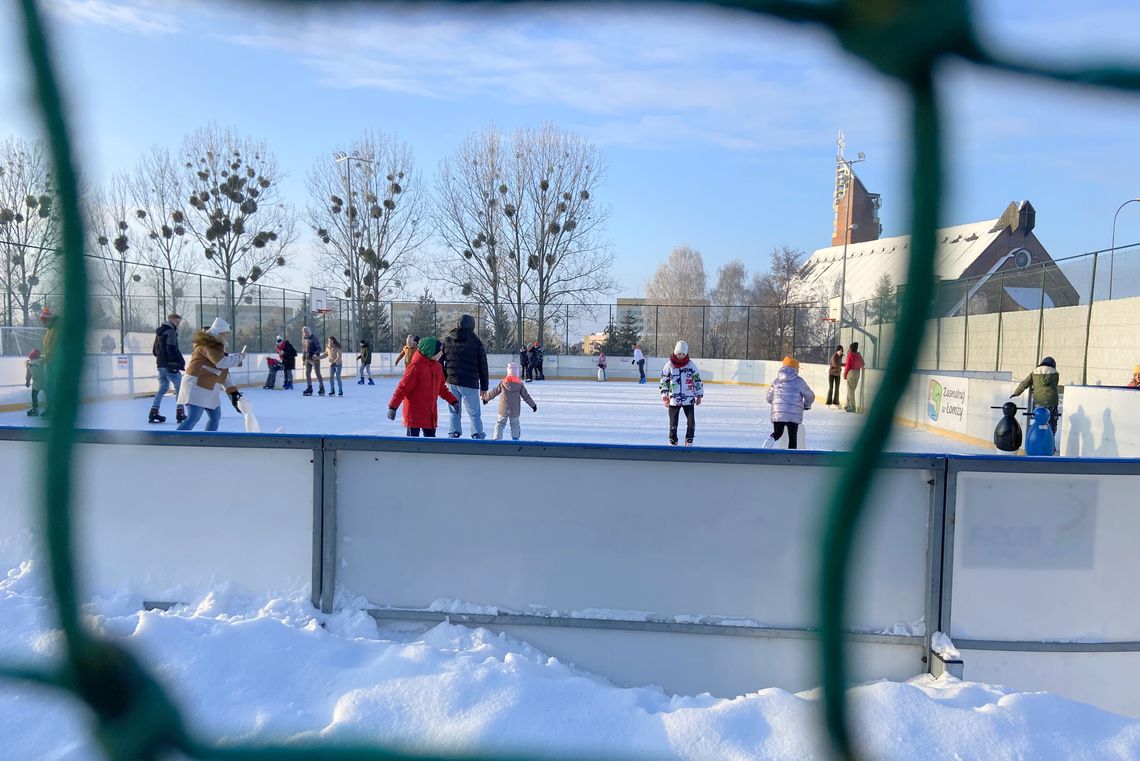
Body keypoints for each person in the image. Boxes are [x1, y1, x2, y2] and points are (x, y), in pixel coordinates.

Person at [176, 317, 245, 432]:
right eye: (226, 333)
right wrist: (239, 357)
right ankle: (175, 439)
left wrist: (232, 391)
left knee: (215, 417)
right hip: (196, 386)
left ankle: (209, 439)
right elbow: (221, 363)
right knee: (193, 417)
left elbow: (223, 372)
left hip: (207, 387)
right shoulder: (207, 345)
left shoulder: (216, 347)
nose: (228, 335)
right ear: (219, 332)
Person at [386, 336, 460, 438]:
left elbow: (441, 388)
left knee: (430, 444)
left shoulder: (437, 367)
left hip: (429, 413)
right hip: (414, 414)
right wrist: (393, 407)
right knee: (413, 444)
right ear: (430, 351)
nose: (442, 353)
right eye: (439, 351)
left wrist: (453, 401)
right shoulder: (415, 367)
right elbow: (402, 388)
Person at [441, 314, 489, 439]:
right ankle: (477, 433)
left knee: (454, 410)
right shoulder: (476, 343)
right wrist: (484, 387)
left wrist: (445, 376)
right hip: (469, 382)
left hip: (452, 381)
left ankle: (454, 432)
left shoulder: (448, 341)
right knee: (474, 412)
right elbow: (483, 366)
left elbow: (440, 361)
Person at [763, 356, 815, 450]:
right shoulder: (799, 381)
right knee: (792, 437)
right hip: (793, 413)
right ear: (795, 369)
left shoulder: (776, 382)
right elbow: (810, 396)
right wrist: (806, 405)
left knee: (778, 433)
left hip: (778, 413)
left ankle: (771, 439)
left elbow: (768, 398)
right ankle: (791, 455)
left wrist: (777, 405)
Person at [660, 340, 704, 446]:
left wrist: (699, 395)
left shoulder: (691, 365)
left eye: (683, 354)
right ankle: (673, 439)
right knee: (673, 422)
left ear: (686, 354)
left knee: (691, 421)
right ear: (675, 353)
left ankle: (689, 438)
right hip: (673, 399)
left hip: (688, 398)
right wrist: (665, 396)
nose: (680, 356)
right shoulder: (669, 365)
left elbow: (697, 380)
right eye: (679, 353)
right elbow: (664, 380)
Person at [482, 361, 537, 441]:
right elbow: (526, 396)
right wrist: (533, 405)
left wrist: (486, 399)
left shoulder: (503, 383)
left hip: (503, 408)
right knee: (515, 424)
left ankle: (497, 439)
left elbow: (494, 392)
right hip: (515, 409)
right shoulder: (519, 384)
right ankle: (515, 439)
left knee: (500, 423)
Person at [149, 313, 186, 424]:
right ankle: (180, 412)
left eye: (179, 322)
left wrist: (162, 360)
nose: (178, 324)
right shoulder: (171, 332)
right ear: (171, 321)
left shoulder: (159, 333)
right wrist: (176, 362)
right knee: (180, 388)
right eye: (176, 322)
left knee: (163, 388)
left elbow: (154, 351)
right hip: (170, 365)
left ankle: (154, 412)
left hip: (161, 365)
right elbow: (171, 349)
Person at [1012, 356, 1061, 433]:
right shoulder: (1055, 373)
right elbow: (1055, 385)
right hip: (1052, 401)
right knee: (1051, 419)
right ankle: (1051, 436)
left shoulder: (1035, 372)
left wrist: (1016, 393)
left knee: (1039, 418)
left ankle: (1039, 434)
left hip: (1039, 401)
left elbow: (1025, 383)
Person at [300, 326, 324, 396]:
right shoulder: (304, 339)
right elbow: (304, 350)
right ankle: (309, 388)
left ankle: (322, 388)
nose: (305, 333)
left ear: (309, 332)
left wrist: (316, 354)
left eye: (306, 332)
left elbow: (319, 348)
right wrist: (303, 359)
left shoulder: (314, 339)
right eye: (304, 332)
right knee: (307, 373)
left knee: (318, 373)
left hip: (314, 359)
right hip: (307, 359)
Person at [843, 341, 865, 413]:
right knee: (851, 390)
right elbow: (862, 364)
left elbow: (847, 365)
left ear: (851, 348)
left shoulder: (850, 354)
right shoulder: (859, 355)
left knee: (850, 390)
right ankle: (848, 404)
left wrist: (845, 374)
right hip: (857, 373)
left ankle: (852, 406)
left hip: (851, 373)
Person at [24, 349, 46, 417]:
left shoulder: (30, 364)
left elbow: (28, 374)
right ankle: (49, 409)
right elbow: (29, 374)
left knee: (34, 395)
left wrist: (27, 381)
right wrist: (27, 381)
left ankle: (36, 409)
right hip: (43, 381)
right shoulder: (42, 362)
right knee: (37, 395)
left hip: (40, 381)